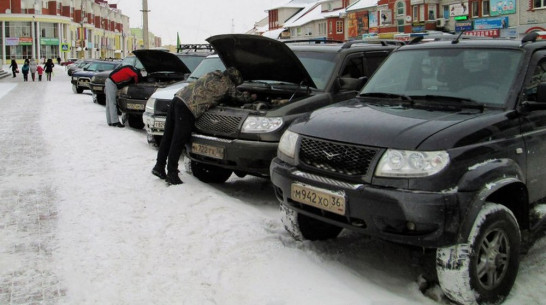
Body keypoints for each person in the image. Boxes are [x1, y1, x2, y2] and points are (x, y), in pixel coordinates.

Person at [151, 67, 256, 185]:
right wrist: (251, 97)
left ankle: (159, 166)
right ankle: (172, 174)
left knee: (168, 136)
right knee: (178, 140)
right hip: (188, 107)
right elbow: (241, 98)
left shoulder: (213, 74)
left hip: (178, 98)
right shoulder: (228, 85)